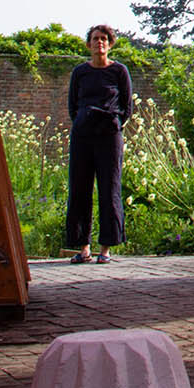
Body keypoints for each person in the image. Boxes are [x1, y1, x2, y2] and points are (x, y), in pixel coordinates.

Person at [64, 23, 132, 265]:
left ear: (110, 44)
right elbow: (72, 105)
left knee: (109, 188)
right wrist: (84, 122)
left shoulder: (119, 72)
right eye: (95, 39)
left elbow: (127, 107)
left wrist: (113, 124)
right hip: (83, 135)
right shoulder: (80, 72)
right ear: (88, 44)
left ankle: (106, 250)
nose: (99, 42)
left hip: (109, 137)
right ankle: (83, 248)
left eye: (104, 39)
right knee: (79, 189)